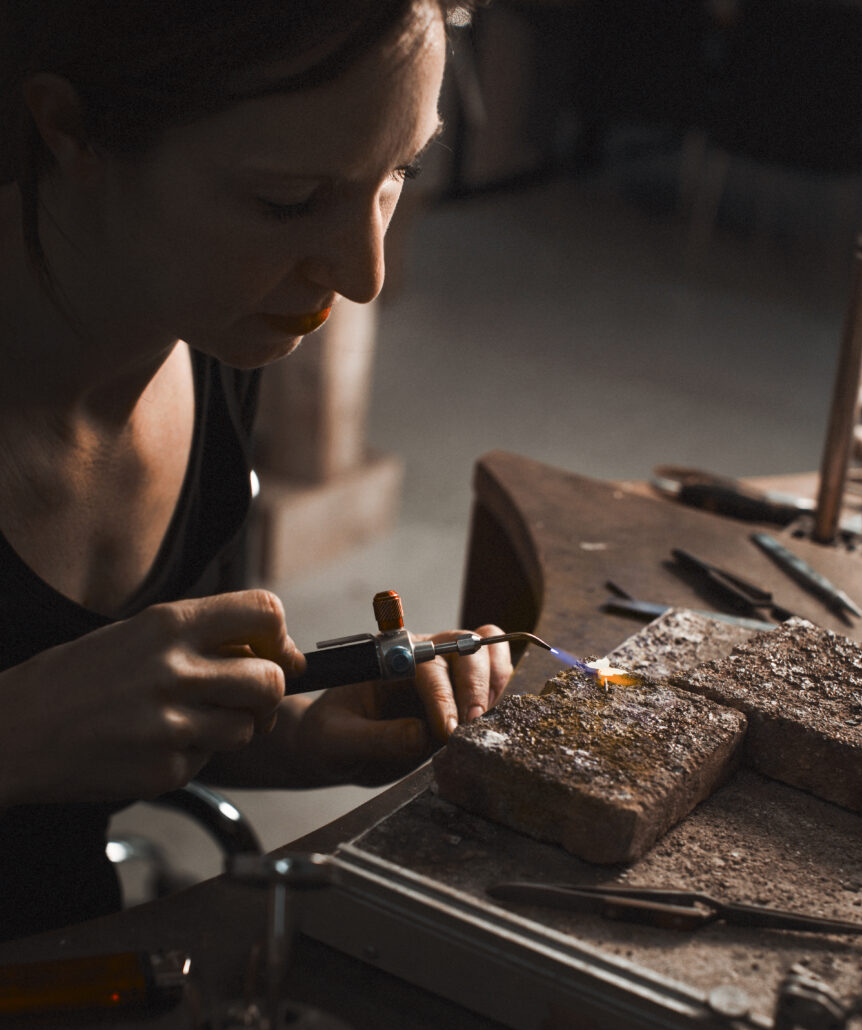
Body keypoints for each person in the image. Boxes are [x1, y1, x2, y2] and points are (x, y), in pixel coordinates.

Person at [0, 0, 512, 939]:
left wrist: (290, 732)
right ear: (68, 128)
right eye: (287, 200)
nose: (364, 277)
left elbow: (123, 723)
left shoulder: (212, 334)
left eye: (396, 172)